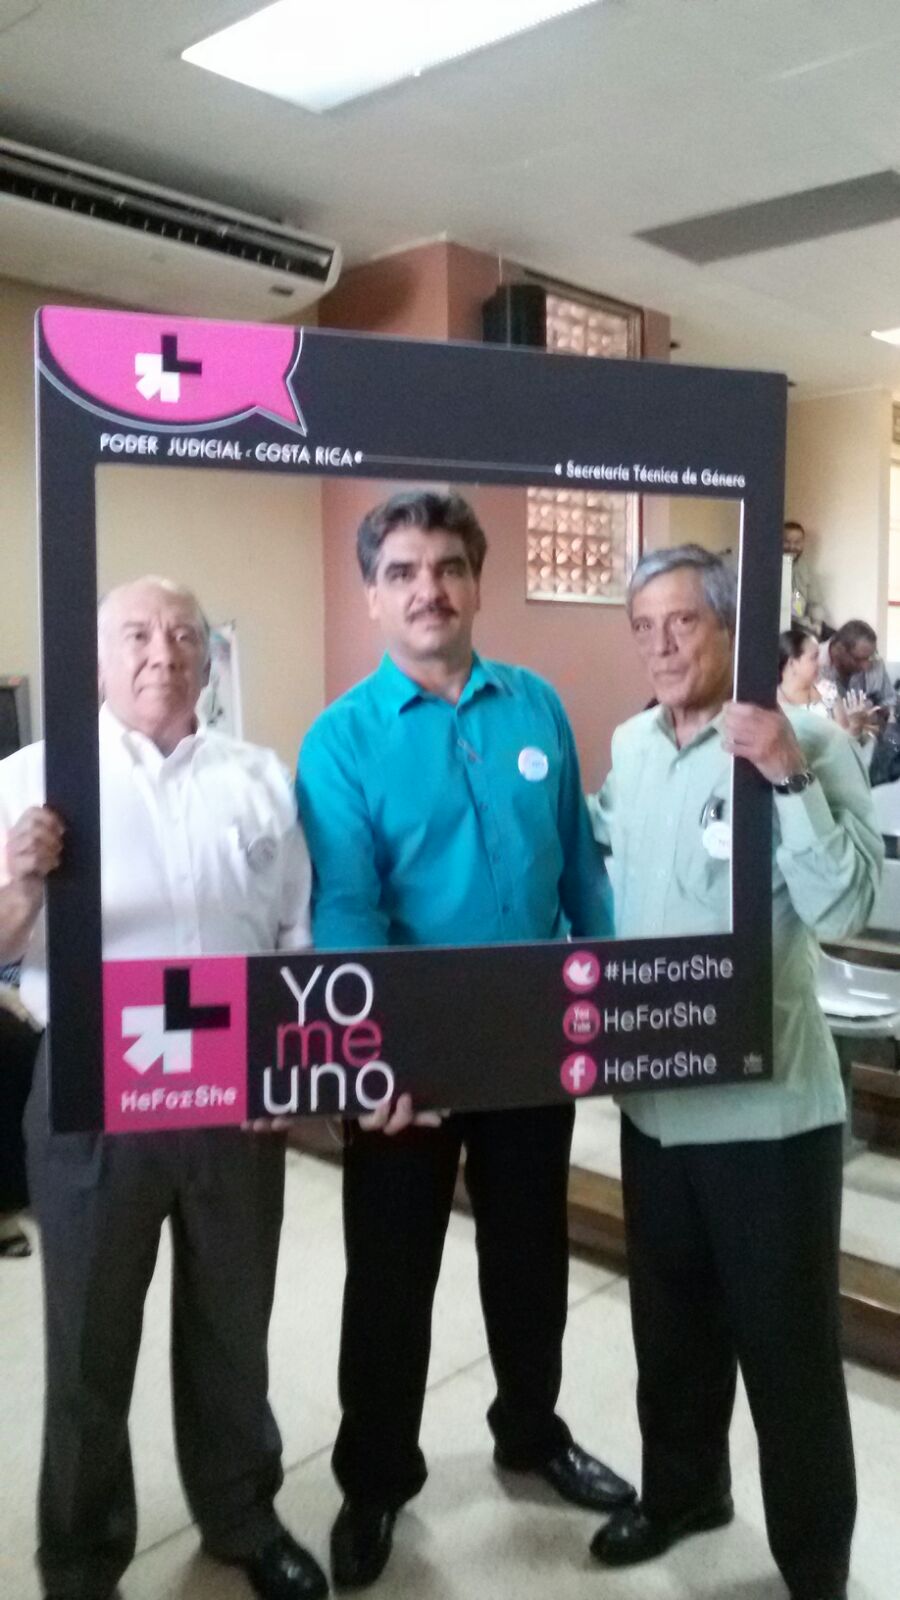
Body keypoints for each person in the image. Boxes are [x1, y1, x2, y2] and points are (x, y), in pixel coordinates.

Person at [297, 490, 634, 1590]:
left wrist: (617, 1004)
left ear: (477, 582)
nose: (428, 589)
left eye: (447, 566)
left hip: (533, 1044)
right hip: (411, 1063)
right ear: (373, 594)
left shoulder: (536, 708)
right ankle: (375, 1477)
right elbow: (347, 912)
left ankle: (530, 1431)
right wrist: (373, 1061)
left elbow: (580, 871)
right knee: (390, 1279)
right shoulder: (341, 740)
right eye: (402, 571)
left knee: (531, 1256)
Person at [0, 578, 327, 1600]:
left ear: (208, 656)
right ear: (98, 660)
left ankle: (241, 1514)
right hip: (95, 1093)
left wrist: (288, 1062)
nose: (163, 652)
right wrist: (19, 886)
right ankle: (81, 1557)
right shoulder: (31, 780)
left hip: (236, 1090)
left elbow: (296, 937)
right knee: (89, 1344)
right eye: (137, 634)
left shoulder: (260, 777)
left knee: (234, 1324)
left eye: (185, 634)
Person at [588, 545, 881, 1600]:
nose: (661, 645)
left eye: (683, 621)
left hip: (770, 1117)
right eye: (644, 626)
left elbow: (847, 907)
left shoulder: (808, 741)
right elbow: (607, 867)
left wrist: (786, 773)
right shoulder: (630, 745)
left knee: (788, 1356)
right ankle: (684, 1492)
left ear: (727, 627)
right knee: (670, 1332)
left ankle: (816, 1565)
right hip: (657, 1104)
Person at [818, 619, 896, 729]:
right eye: (859, 659)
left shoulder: (875, 662)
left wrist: (878, 714)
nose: (866, 666)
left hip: (871, 734)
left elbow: (890, 702)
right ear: (839, 650)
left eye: (869, 657)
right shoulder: (812, 662)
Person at [783, 520, 827, 635]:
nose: (792, 547)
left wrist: (817, 623)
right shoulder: (769, 567)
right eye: (787, 542)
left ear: (803, 544)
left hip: (801, 622)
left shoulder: (806, 569)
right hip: (780, 624)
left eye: (797, 542)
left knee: (833, 635)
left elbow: (815, 603)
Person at [777, 625, 828, 717]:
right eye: (814, 657)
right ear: (792, 663)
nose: (820, 663)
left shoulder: (828, 692)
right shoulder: (773, 703)